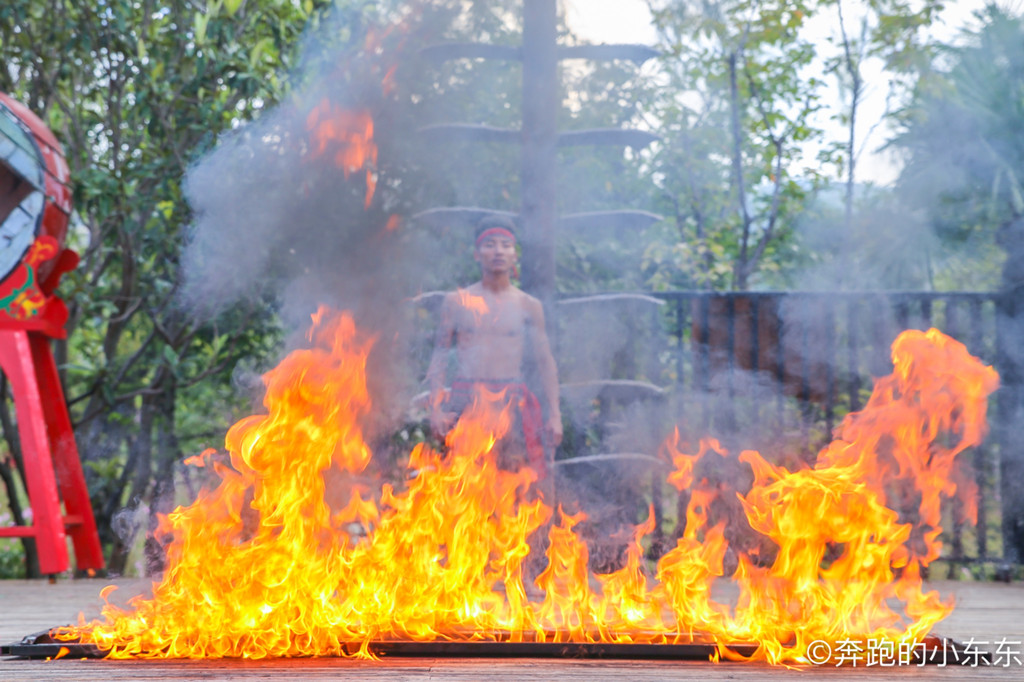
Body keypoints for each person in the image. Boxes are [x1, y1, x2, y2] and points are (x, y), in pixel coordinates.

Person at [426, 215, 562, 482]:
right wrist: (435, 409)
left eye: (505, 245)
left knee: (517, 485)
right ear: (477, 254)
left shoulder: (528, 305)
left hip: (511, 403)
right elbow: (440, 356)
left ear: (515, 255)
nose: (498, 251)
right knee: (463, 484)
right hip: (467, 403)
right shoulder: (457, 301)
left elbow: (546, 362)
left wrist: (555, 415)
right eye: (490, 244)